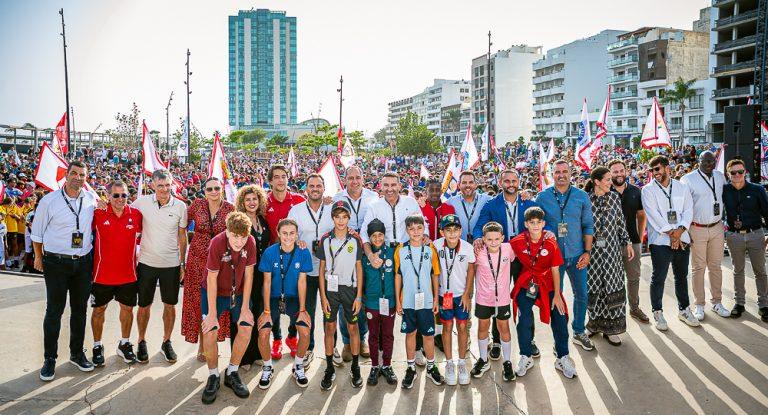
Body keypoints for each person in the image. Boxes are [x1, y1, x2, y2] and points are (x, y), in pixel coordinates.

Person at [31, 161, 97, 381]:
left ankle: (77, 354)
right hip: (56, 264)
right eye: (74, 173)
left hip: (83, 263)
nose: (78, 178)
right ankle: (50, 358)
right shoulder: (49, 201)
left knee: (80, 311)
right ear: (66, 175)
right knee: (54, 311)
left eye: (82, 175)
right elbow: (37, 234)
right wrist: (39, 257)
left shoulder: (90, 199)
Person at [361, 172, 427, 364]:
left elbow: (423, 226)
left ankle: (418, 348)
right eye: (386, 185)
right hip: (384, 256)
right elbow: (365, 235)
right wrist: (371, 255)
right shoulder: (374, 206)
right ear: (380, 187)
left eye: (393, 185)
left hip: (408, 252)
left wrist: (424, 239)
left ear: (400, 185)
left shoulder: (411, 203)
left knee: (414, 300)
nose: (390, 189)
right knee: (385, 299)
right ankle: (382, 350)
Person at [473, 168, 537, 359]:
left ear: (519, 182)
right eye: (506, 181)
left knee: (526, 299)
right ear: (500, 183)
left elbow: (543, 223)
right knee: (497, 297)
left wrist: (548, 232)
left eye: (514, 181)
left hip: (524, 257)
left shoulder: (528, 202)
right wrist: (478, 237)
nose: (510, 184)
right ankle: (497, 341)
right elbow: (479, 226)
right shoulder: (492, 204)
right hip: (499, 256)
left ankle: (529, 340)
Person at [535, 160, 596, 351]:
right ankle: (559, 338)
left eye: (565, 172)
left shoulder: (581, 196)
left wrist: (587, 252)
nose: (561, 175)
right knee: (556, 297)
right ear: (552, 175)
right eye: (557, 172)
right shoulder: (542, 197)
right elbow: (536, 225)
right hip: (554, 259)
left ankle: (578, 331)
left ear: (571, 173)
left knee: (582, 295)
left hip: (578, 255)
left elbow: (588, 225)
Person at [510, 207, 576, 379]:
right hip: (528, 283)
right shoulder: (516, 242)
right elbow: (500, 253)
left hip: (548, 284)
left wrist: (557, 295)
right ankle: (526, 355)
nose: (535, 225)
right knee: (524, 316)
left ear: (544, 223)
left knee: (560, 315)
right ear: (526, 224)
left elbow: (555, 269)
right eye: (532, 222)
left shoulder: (550, 242)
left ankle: (562, 356)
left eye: (539, 222)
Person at [131, 169, 189, 363]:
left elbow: (183, 237)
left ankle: (166, 342)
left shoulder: (180, 206)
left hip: (171, 265)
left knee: (170, 305)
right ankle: (141, 341)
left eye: (168, 185)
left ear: (172, 184)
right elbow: (122, 211)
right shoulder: (141, 203)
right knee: (143, 306)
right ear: (153, 185)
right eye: (160, 185)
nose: (165, 189)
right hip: (146, 263)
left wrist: (182, 263)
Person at [200, 212, 257, 404]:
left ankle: (232, 371)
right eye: (235, 236)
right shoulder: (217, 242)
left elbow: (249, 275)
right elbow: (211, 278)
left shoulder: (250, 241)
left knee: (246, 326)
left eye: (243, 237)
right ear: (227, 231)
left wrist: (245, 308)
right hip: (214, 291)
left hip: (238, 292)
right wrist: (212, 314)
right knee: (209, 331)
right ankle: (213, 375)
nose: (239, 241)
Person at [641, 155, 700, 331]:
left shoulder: (682, 187)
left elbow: (688, 210)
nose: (655, 173)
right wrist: (672, 234)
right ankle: (657, 312)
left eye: (657, 169)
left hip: (682, 238)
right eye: (652, 170)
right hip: (660, 240)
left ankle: (684, 309)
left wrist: (680, 231)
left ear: (667, 168)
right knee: (658, 277)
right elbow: (653, 216)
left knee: (681, 276)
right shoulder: (647, 190)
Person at [256, 218, 313, 389]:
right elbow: (266, 282)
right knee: (264, 332)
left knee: (304, 332)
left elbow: (302, 282)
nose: (288, 237)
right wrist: (266, 311)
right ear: (278, 234)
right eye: (285, 233)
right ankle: (267, 367)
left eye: (292, 233)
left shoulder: (303, 252)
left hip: (293, 298)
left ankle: (298, 366)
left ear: (297, 234)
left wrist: (303, 309)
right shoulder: (270, 252)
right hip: (273, 298)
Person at [90, 180, 143, 366]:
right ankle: (97, 345)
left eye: (124, 195)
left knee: (127, 310)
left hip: (128, 275)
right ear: (108, 196)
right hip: (101, 275)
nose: (121, 199)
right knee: (98, 310)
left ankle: (124, 343)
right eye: (116, 195)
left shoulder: (136, 215)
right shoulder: (97, 213)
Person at [182, 177, 235, 361]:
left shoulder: (230, 208)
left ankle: (211, 342)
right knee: (198, 302)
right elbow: (182, 224)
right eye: (209, 188)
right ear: (204, 191)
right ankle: (202, 345)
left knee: (216, 302)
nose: (213, 191)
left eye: (216, 188)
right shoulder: (196, 205)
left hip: (220, 262)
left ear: (222, 189)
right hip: (197, 261)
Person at [318, 200, 365, 390]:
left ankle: (355, 366)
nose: (341, 221)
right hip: (330, 290)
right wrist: (322, 297)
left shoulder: (355, 239)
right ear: (333, 218)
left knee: (353, 328)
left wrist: (359, 296)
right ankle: (329, 368)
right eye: (337, 217)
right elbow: (321, 270)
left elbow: (359, 268)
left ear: (349, 218)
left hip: (349, 289)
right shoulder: (325, 239)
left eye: (344, 217)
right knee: (329, 327)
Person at [332, 165, 377, 364]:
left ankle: (363, 338)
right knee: (344, 300)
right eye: (350, 178)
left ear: (363, 178)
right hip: (344, 253)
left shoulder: (374, 197)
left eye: (358, 177)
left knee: (363, 298)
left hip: (366, 253)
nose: (354, 181)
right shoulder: (336, 198)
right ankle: (347, 342)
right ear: (345, 179)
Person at [288, 173, 334, 367]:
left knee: (329, 312)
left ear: (324, 188)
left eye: (319, 186)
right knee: (306, 311)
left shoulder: (333, 208)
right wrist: (294, 240)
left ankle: (332, 348)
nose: (315, 189)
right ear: (306, 189)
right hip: (305, 272)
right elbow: (287, 234)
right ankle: (308, 348)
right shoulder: (296, 210)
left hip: (329, 270)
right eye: (311, 186)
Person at [583, 167, 633, 346]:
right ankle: (594, 325)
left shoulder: (614, 197)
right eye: (607, 179)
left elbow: (620, 222)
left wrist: (626, 242)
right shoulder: (585, 199)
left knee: (613, 287)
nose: (610, 183)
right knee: (594, 288)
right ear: (596, 181)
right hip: (593, 254)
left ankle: (612, 329)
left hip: (612, 253)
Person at [680, 151, 730, 320]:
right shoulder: (688, 179)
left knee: (715, 266)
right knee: (698, 268)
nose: (709, 164)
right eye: (705, 161)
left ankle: (717, 302)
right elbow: (683, 206)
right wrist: (685, 230)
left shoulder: (720, 176)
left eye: (712, 161)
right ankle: (699, 305)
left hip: (717, 227)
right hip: (697, 227)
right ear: (698, 161)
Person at [395, 214, 444, 389]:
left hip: (427, 301)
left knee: (428, 335)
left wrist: (436, 299)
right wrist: (398, 301)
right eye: (411, 228)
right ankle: (410, 368)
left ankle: (431, 366)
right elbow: (398, 276)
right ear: (407, 230)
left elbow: (435, 274)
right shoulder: (400, 249)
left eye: (419, 228)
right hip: (408, 301)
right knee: (410, 334)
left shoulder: (430, 250)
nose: (415, 232)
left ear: (424, 229)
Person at [264, 165, 305, 362]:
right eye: (276, 177)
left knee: (294, 300)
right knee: (274, 301)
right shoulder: (264, 202)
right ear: (270, 181)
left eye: (284, 177)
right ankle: (277, 339)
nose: (281, 180)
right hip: (272, 260)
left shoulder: (298, 200)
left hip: (294, 259)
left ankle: (291, 336)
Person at [722, 159, 768, 321]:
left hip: (756, 234)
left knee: (760, 271)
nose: (737, 175)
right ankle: (739, 303)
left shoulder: (758, 189)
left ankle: (764, 305)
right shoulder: (725, 190)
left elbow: (767, 212)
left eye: (740, 172)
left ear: (745, 172)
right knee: (738, 270)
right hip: (734, 236)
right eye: (733, 172)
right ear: (728, 174)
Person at [469, 221, 515, 382]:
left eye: (497, 239)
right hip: (483, 297)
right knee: (483, 326)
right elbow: (471, 271)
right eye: (489, 239)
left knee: (504, 327)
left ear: (502, 238)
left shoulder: (509, 249)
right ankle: (483, 359)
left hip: (502, 298)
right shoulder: (478, 251)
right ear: (483, 239)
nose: (493, 242)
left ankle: (507, 362)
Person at [433, 214, 475, 386]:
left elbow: (471, 271)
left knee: (463, 326)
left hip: (460, 295)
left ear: (461, 231)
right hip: (445, 296)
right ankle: (449, 363)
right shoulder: (435, 246)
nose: (452, 234)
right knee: (447, 326)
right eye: (448, 230)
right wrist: (436, 297)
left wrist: (467, 294)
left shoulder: (467, 247)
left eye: (456, 230)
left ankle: (462, 362)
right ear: (442, 232)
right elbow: (434, 273)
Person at [233, 184, 272, 370]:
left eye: (254, 199)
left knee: (257, 312)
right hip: (242, 273)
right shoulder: (238, 221)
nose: (251, 202)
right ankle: (242, 358)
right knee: (243, 313)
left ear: (259, 201)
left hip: (261, 274)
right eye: (247, 199)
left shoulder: (263, 220)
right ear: (242, 201)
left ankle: (256, 353)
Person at [608, 159, 649, 323]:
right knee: (612, 280)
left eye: (621, 171)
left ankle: (634, 308)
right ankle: (614, 311)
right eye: (615, 171)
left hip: (633, 242)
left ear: (626, 171)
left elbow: (641, 215)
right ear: (610, 173)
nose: (618, 174)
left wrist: (638, 238)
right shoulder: (604, 191)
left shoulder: (636, 191)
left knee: (633, 278)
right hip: (611, 244)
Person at [418, 178, 456, 352]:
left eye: (437, 190)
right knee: (426, 299)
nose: (434, 193)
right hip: (423, 261)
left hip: (445, 261)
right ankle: (426, 334)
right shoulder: (418, 208)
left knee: (442, 298)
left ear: (441, 190)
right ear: (426, 191)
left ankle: (439, 335)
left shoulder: (449, 208)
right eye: (431, 190)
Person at [362, 219, 398, 386]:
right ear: (369, 238)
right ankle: (375, 366)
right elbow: (361, 279)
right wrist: (361, 299)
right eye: (374, 236)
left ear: (385, 235)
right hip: (371, 302)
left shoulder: (393, 253)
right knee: (373, 335)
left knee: (388, 335)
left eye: (380, 235)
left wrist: (398, 301)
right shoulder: (365, 256)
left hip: (389, 301)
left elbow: (398, 277)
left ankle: (387, 365)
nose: (377, 238)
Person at [447, 170, 491, 243]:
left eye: (471, 182)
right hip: (460, 248)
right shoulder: (451, 202)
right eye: (464, 182)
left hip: (483, 247)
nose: (467, 185)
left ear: (476, 184)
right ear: (459, 185)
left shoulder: (487, 200)